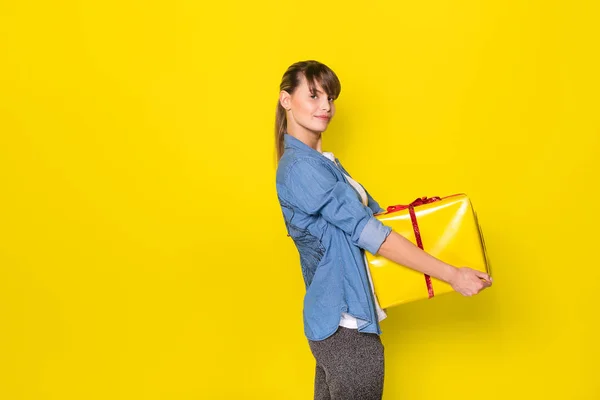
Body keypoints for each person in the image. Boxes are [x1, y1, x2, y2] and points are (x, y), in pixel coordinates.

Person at [274, 60, 492, 400]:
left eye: (330, 97)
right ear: (286, 100)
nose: (325, 106)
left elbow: (378, 223)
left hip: (339, 324)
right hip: (344, 326)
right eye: (313, 95)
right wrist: (452, 275)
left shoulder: (323, 162)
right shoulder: (301, 168)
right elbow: (372, 235)